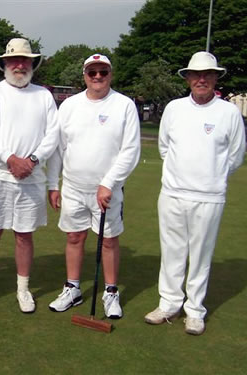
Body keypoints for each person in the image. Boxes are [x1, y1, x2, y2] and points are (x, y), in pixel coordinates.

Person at [144, 52, 246, 335]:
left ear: (215, 78)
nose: (202, 79)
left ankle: (195, 310)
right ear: (187, 78)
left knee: (201, 254)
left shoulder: (229, 112)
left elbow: (236, 156)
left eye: (208, 75)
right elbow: (165, 147)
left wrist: (212, 177)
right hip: (173, 193)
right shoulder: (174, 109)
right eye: (196, 75)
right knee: (172, 251)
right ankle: (169, 303)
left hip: (209, 196)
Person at [47, 54, 140, 319]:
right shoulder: (70, 106)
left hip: (107, 190)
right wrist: (53, 184)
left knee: (108, 240)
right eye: (92, 72)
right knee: (74, 236)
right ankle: (73, 289)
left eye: (103, 72)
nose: (97, 77)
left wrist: (109, 183)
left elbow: (130, 150)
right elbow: (58, 149)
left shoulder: (124, 105)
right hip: (73, 187)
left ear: (111, 74)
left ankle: (111, 293)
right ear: (84, 75)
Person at [0, 38, 59, 313]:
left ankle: (23, 289)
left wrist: (31, 161)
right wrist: (11, 159)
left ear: (32, 64)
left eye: (25, 60)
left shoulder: (43, 95)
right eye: (15, 60)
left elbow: (52, 134)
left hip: (31, 176)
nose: (20, 65)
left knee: (24, 235)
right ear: (5, 64)